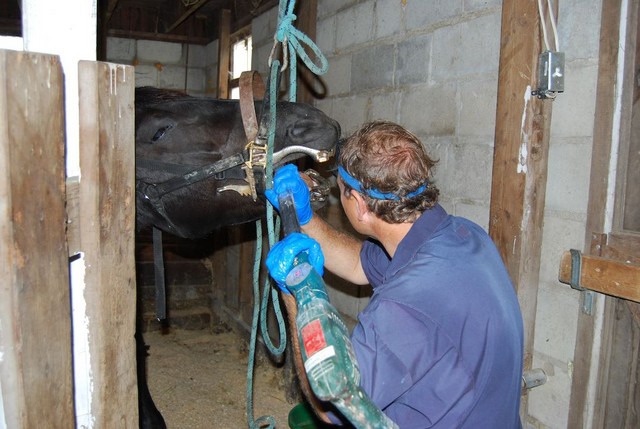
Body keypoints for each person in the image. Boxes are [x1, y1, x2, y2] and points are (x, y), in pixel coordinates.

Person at [266, 121, 524, 428]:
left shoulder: (403, 309)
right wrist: (306, 217)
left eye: (341, 192)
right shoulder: (462, 236)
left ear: (360, 205)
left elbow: (330, 406)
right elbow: (359, 265)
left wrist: (295, 293)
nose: (338, 197)